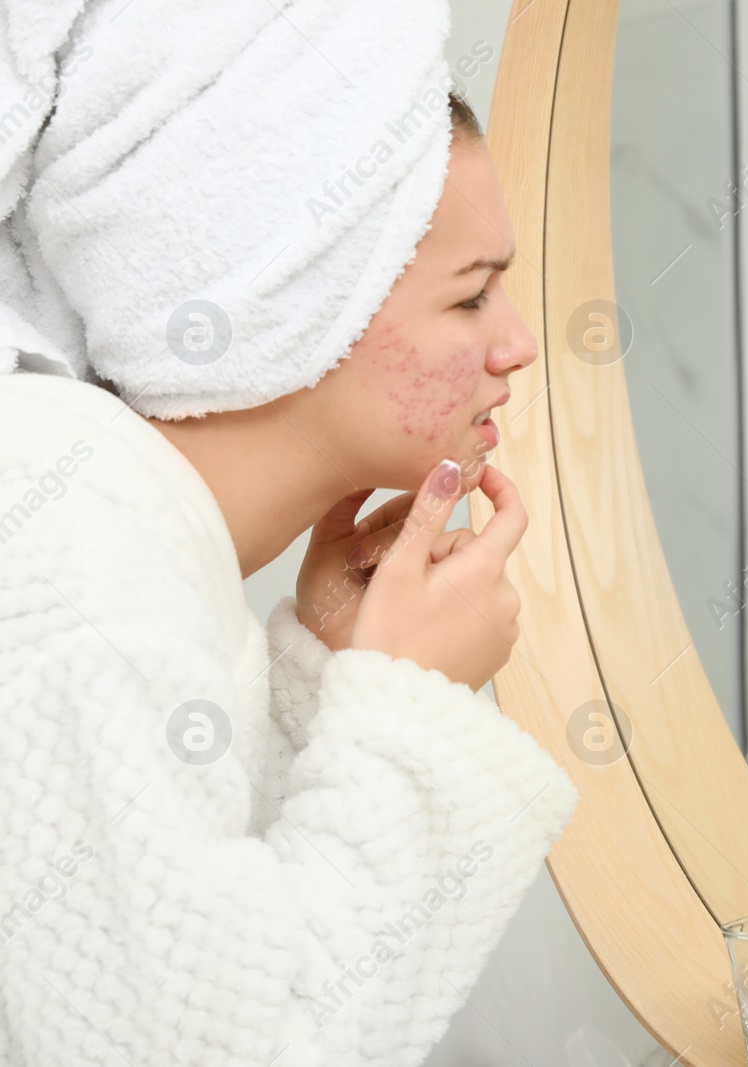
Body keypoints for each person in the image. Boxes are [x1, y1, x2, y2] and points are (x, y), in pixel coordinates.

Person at [0, 93, 579, 1063]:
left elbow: (174, 935)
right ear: (295, 301)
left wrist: (326, 680)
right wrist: (407, 715)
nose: (518, 342)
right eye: (473, 293)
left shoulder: (120, 525)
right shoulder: (72, 544)